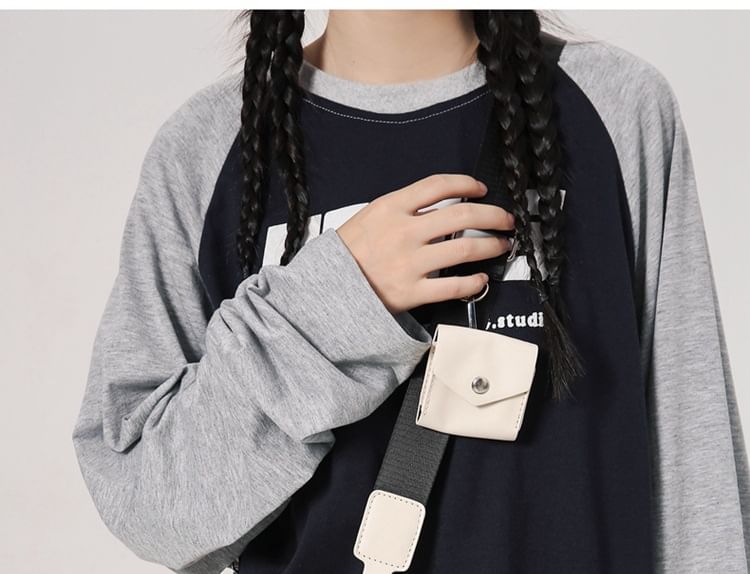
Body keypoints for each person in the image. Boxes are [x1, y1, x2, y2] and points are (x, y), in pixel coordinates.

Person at [71, 9, 750, 574]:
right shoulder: (207, 147)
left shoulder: (616, 106)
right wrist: (336, 301)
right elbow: (149, 506)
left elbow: (694, 470)